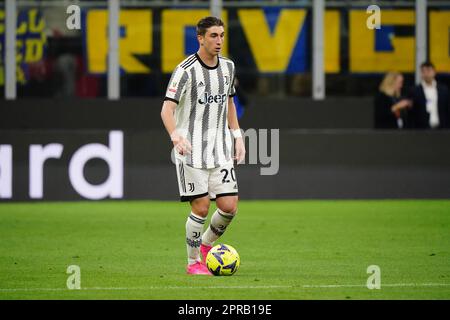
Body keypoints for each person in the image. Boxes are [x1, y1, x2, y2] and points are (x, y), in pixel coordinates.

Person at [160, 16, 246, 275]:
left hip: (219, 150)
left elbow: (230, 103)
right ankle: (193, 263)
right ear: (200, 38)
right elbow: (166, 109)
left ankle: (207, 246)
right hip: (191, 150)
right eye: (213, 36)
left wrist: (238, 135)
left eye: (222, 35)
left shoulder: (228, 67)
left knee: (229, 206)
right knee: (201, 207)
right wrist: (175, 136)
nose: (219, 40)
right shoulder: (185, 70)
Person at [408, 62, 449, 129]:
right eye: (423, 71)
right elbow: (412, 113)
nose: (426, 74)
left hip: (442, 128)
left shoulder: (443, 90)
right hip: (422, 129)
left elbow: (447, 109)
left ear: (434, 72)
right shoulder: (414, 91)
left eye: (429, 71)